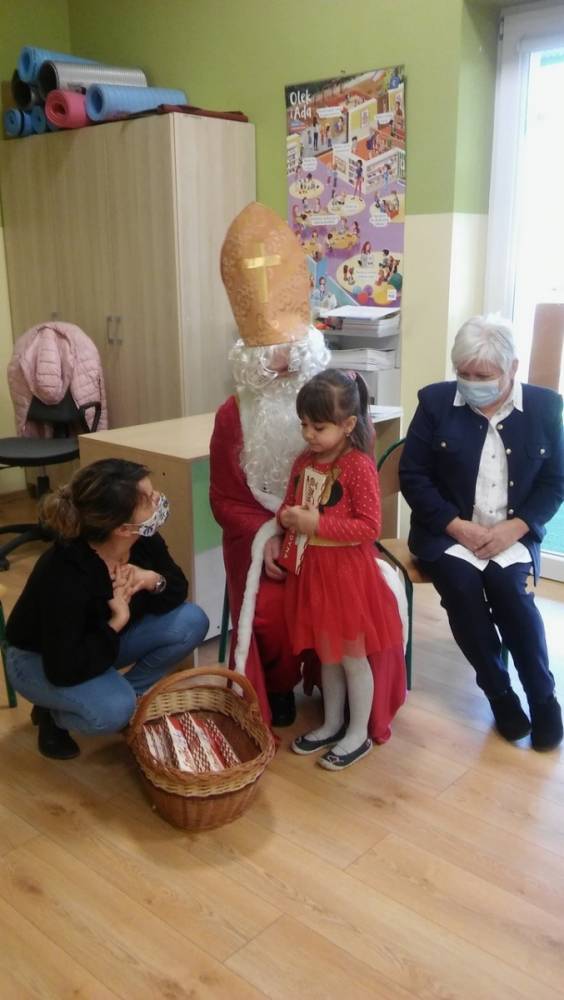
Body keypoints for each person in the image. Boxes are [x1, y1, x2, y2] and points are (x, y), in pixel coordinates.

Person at [399, 315, 564, 751]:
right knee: (462, 587)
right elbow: (414, 475)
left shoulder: (545, 408)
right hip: (447, 532)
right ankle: (499, 692)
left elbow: (555, 482)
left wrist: (517, 527)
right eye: (464, 374)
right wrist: (456, 526)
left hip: (512, 532)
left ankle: (543, 697)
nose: (472, 384)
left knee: (511, 594)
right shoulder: (435, 402)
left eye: (484, 376)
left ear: (512, 368)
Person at [210, 201, 330, 727]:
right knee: (271, 615)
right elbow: (223, 499)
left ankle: (338, 684)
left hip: (328, 538)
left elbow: (356, 484)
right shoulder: (232, 416)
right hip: (266, 543)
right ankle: (278, 686)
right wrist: (269, 540)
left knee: (345, 601)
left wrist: (316, 533)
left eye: (290, 348)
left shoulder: (336, 403)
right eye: (270, 352)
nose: (282, 361)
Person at [6, 459, 209, 760]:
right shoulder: (63, 571)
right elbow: (64, 668)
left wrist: (152, 580)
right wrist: (118, 619)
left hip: (95, 645)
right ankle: (53, 713)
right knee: (113, 710)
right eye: (149, 499)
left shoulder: (142, 539)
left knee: (192, 621)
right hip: (41, 659)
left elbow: (177, 589)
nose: (158, 500)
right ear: (122, 528)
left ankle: (124, 697)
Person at [278, 369, 406, 769]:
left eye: (318, 427)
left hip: (347, 578)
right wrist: (287, 517)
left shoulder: (357, 466)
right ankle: (332, 723)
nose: (309, 434)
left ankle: (358, 732)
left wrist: (316, 524)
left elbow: (369, 527)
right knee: (327, 655)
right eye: (303, 425)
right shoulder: (303, 461)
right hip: (313, 575)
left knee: (352, 657)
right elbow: (288, 504)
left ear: (348, 424)